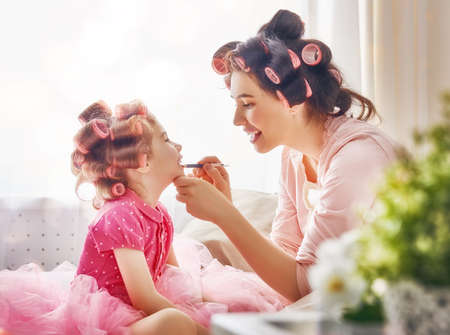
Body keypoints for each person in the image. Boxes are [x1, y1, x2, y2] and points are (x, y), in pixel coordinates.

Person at [0, 100, 287, 335]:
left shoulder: (159, 214)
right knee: (174, 324)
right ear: (143, 162)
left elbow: (176, 278)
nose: (179, 147)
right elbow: (144, 297)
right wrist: (201, 329)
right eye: (166, 140)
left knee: (227, 307)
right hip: (107, 321)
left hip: (139, 312)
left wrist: (205, 308)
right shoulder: (120, 214)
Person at [174, 9, 398, 303]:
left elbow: (307, 287)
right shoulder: (293, 156)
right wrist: (228, 206)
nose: (237, 120)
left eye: (248, 104)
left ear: (292, 100)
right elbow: (286, 256)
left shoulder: (357, 158)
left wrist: (225, 215)